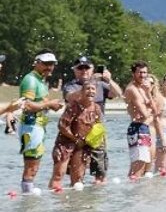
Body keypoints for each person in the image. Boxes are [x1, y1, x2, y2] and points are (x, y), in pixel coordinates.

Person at [62, 57, 121, 183]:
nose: (84, 71)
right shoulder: (70, 86)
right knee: (77, 174)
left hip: (97, 134)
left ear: (92, 69)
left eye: (87, 68)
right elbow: (70, 97)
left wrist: (109, 80)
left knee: (100, 174)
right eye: (80, 68)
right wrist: (87, 87)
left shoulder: (101, 84)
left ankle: (95, 198)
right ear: (75, 70)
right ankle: (77, 198)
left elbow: (117, 94)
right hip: (77, 135)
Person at [18, 51, 65, 192]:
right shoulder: (31, 79)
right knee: (31, 167)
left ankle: (28, 198)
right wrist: (49, 104)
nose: (49, 67)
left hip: (37, 127)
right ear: (36, 63)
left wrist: (51, 104)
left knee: (34, 166)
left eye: (52, 64)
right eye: (45, 64)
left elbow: (39, 103)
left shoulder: (40, 80)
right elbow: (26, 105)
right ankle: (27, 200)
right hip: (30, 127)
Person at [49, 81, 106, 190]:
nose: (91, 91)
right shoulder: (73, 106)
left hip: (82, 145)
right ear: (81, 92)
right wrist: (75, 139)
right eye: (87, 89)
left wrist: (95, 143)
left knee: (78, 179)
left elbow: (98, 128)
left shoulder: (97, 108)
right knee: (58, 175)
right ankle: (56, 202)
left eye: (93, 89)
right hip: (65, 144)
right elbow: (62, 126)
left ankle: (75, 204)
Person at [123, 62, 160, 180]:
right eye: (140, 72)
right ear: (133, 73)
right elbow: (146, 113)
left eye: (145, 72)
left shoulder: (143, 89)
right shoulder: (132, 89)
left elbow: (155, 111)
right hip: (137, 128)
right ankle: (134, 195)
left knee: (143, 165)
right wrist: (151, 111)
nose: (143, 75)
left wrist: (148, 93)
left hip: (143, 128)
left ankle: (138, 195)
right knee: (138, 166)